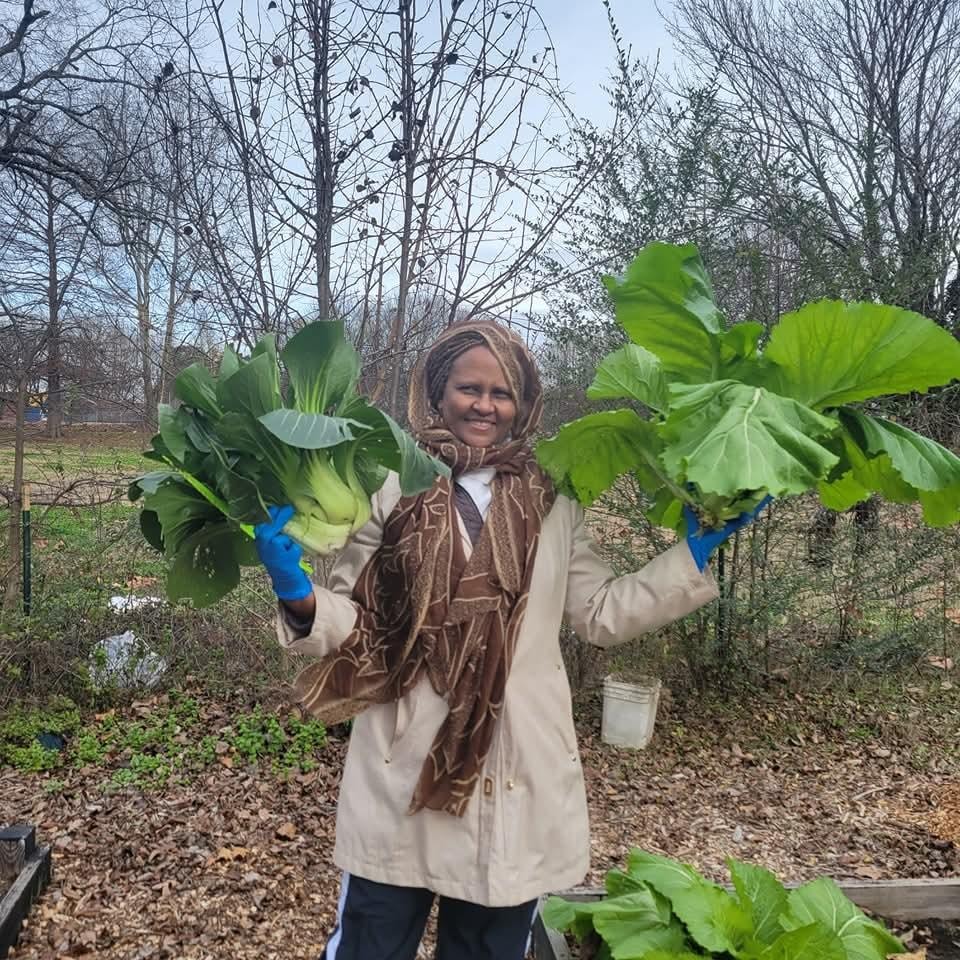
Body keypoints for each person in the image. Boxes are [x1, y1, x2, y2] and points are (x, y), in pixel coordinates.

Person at [254, 320, 765, 960]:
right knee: (370, 944)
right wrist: (297, 593)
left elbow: (599, 613)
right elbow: (361, 624)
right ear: (437, 393)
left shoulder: (554, 495)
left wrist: (689, 556)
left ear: (523, 404)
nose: (485, 406)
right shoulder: (389, 482)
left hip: (512, 766)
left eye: (503, 393)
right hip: (405, 761)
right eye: (470, 388)